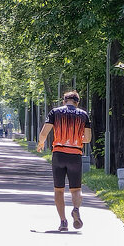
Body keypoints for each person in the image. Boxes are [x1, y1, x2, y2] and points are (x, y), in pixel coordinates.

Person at [36, 91, 92, 232]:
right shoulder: (84, 115)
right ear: (77, 102)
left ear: (64, 101)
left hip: (59, 154)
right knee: (76, 189)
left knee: (59, 190)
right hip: (75, 155)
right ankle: (76, 209)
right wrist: (78, 138)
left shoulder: (55, 112)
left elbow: (44, 133)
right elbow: (87, 139)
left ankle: (63, 221)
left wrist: (41, 143)